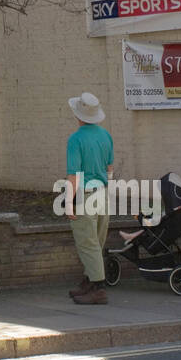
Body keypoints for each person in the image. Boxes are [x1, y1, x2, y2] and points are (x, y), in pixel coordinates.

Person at [64, 92, 114, 305]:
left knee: (87, 242)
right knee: (97, 241)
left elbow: (74, 175)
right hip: (102, 191)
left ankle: (98, 287)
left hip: (85, 194)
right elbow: (110, 168)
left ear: (78, 115)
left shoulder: (76, 139)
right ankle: (90, 282)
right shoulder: (105, 135)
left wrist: (68, 202)